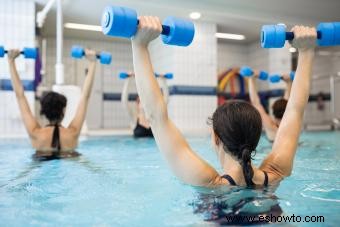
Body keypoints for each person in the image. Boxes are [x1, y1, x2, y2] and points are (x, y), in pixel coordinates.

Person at [131, 16, 316, 189]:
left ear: (216, 138)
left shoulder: (211, 183)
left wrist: (138, 44)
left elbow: (156, 117)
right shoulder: (275, 173)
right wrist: (307, 51)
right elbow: (295, 110)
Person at [7, 48, 97, 160]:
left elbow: (20, 96)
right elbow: (85, 97)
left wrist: (11, 61)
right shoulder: (73, 133)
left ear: (43, 112)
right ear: (63, 111)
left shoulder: (35, 133)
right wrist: (92, 63)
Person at [121, 72, 169, 138]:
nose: (145, 103)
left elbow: (165, 101)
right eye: (142, 101)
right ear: (138, 105)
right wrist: (128, 80)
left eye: (147, 101)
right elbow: (124, 101)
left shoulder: (154, 118)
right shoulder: (134, 119)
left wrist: (163, 81)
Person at [248, 72, 292, 142]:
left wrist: (251, 78)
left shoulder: (270, 126)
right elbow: (287, 102)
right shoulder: (291, 123)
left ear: (273, 110)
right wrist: (289, 82)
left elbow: (255, 102)